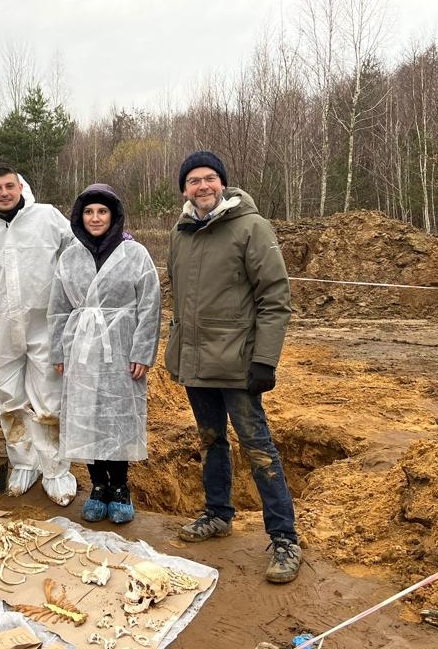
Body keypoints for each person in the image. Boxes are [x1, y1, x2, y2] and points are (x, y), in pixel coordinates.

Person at [165, 150, 301, 584]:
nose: (202, 187)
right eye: (193, 181)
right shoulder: (180, 233)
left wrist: (264, 359)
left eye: (209, 179)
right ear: (184, 189)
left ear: (222, 183)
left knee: (258, 448)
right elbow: (181, 302)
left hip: (240, 365)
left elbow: (274, 297)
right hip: (196, 363)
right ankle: (217, 513)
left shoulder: (251, 228)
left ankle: (284, 538)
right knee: (210, 442)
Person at [0, 164, 77, 506]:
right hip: (2, 326)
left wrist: (110, 245)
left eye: (9, 185)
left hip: (44, 324)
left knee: (49, 399)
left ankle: (56, 470)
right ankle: (23, 462)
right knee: (8, 397)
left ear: (20, 186)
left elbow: (77, 248)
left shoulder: (47, 218)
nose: (4, 192)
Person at [49, 184, 161, 524]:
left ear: (113, 216)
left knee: (118, 415)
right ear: (79, 217)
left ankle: (120, 487)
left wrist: (142, 350)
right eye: (88, 212)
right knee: (86, 413)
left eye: (102, 211)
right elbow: (58, 307)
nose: (95, 218)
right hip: (81, 346)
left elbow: (150, 303)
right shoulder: (69, 256)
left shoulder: (135, 253)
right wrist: (59, 349)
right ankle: (98, 486)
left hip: (122, 346)